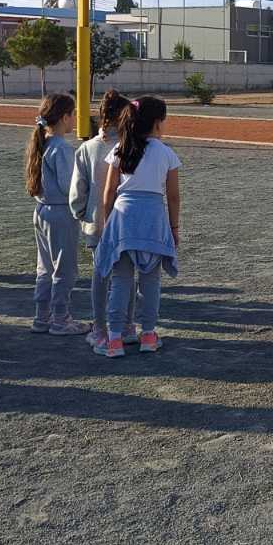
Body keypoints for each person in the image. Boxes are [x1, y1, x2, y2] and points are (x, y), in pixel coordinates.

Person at [92, 96, 179, 359]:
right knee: (151, 280)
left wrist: (108, 223)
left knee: (120, 281)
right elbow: (173, 196)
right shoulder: (165, 152)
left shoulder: (121, 148)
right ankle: (149, 335)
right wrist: (174, 228)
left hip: (123, 217)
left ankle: (114, 339)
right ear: (157, 122)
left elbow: (109, 192)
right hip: (153, 218)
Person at [70, 89, 132, 351]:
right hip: (126, 222)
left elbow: (77, 192)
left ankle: (100, 328)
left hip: (97, 223)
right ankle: (127, 326)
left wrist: (82, 214)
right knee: (127, 276)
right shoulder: (131, 147)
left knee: (101, 275)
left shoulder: (86, 148)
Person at [25, 93, 79, 335]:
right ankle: (60, 319)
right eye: (73, 114)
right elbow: (70, 187)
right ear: (65, 117)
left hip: (42, 210)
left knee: (45, 267)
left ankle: (42, 316)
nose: (75, 119)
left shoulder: (42, 143)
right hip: (60, 213)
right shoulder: (61, 147)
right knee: (64, 269)